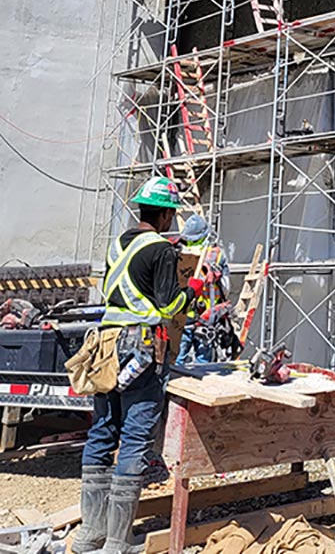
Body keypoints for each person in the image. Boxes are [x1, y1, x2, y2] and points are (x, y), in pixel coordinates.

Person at [75, 177, 205, 554]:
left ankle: (90, 535)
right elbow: (167, 306)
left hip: (108, 344)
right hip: (140, 349)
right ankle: (117, 542)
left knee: (102, 432)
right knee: (134, 437)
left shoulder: (119, 243)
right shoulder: (162, 250)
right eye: (172, 216)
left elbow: (132, 282)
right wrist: (193, 291)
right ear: (165, 215)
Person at [175, 214, 231, 365]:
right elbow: (226, 288)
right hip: (206, 316)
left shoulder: (177, 253)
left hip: (183, 314)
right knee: (203, 364)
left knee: (177, 360)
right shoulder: (216, 255)